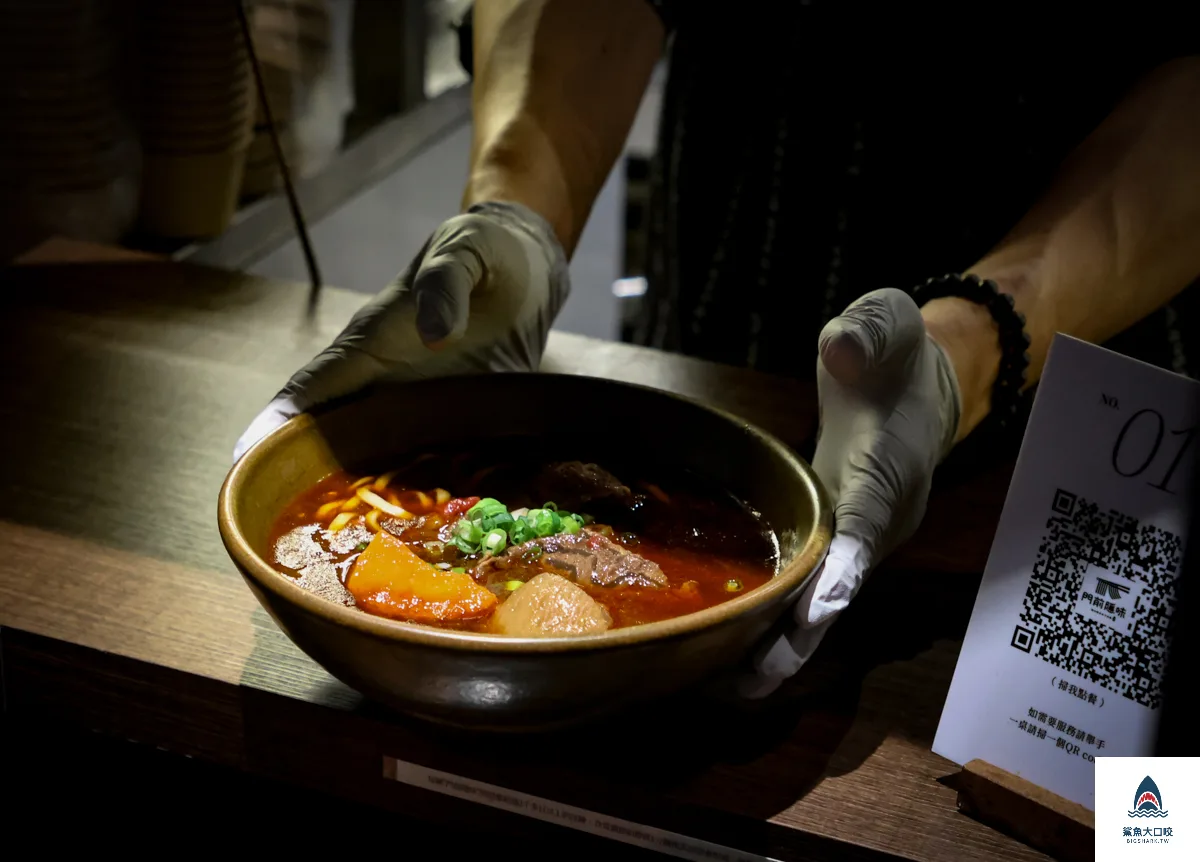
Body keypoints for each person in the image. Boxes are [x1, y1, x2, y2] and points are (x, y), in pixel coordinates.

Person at [236, 2, 1200, 698]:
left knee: (1105, 818)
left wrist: (980, 339)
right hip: (728, 335)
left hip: (1090, 404)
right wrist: (518, 201)